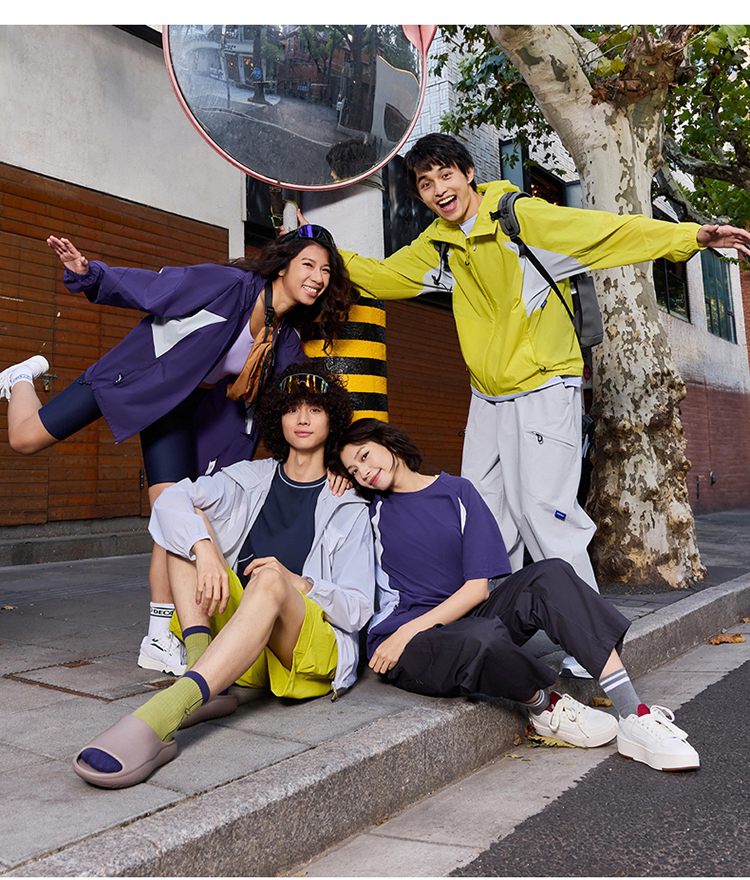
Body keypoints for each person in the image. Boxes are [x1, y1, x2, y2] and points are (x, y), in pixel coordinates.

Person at [317, 132, 750, 675]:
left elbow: (607, 233)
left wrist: (691, 237)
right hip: (487, 395)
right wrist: (321, 255)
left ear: (468, 173)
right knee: (480, 515)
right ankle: (499, 628)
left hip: (544, 386)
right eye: (425, 183)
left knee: (545, 512)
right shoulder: (439, 243)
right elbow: (385, 278)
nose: (438, 190)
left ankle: (592, 645)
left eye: (446, 175)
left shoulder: (520, 218)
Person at [0, 226, 358, 676]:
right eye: (308, 264)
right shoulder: (230, 286)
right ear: (283, 266)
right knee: (26, 438)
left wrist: (338, 461)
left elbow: (301, 400)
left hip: (183, 410)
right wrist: (90, 274)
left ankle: (158, 637)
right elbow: (158, 288)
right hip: (139, 376)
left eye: (326, 271)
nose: (318, 277)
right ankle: (20, 380)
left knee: (174, 511)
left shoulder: (283, 340)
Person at [335, 417, 700, 773]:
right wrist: (333, 476)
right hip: (403, 644)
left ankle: (635, 715)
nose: (363, 472)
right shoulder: (367, 509)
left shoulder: (458, 492)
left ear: (388, 442)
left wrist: (410, 630)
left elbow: (477, 589)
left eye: (364, 456)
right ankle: (545, 707)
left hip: (454, 621)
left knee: (551, 574)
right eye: (352, 470)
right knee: (480, 637)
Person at [72, 364, 375, 789]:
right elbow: (171, 500)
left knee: (268, 578)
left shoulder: (349, 505)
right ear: (278, 417)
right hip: (243, 651)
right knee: (187, 523)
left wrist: (298, 583)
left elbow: (358, 609)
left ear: (332, 419)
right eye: (292, 409)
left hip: (305, 654)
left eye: (315, 409)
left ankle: (164, 712)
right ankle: (205, 674)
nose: (303, 419)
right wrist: (204, 549)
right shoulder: (252, 477)